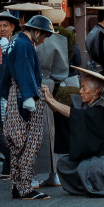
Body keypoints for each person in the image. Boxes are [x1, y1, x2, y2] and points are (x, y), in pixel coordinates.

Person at [0, 12, 49, 200]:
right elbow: (24, 70)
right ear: (36, 31)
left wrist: (6, 95)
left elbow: (7, 71)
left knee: (17, 144)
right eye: (44, 35)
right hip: (24, 96)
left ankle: (18, 186)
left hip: (14, 94)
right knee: (29, 143)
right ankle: (25, 188)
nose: (44, 40)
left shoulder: (15, 42)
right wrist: (29, 97)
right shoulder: (23, 44)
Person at [46, 67, 104, 197]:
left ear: (95, 91)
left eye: (84, 88)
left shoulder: (101, 108)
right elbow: (66, 114)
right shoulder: (84, 105)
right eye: (80, 87)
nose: (80, 91)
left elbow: (77, 115)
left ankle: (94, 186)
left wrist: (51, 100)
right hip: (90, 153)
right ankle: (87, 186)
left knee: (88, 167)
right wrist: (49, 100)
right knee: (63, 164)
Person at [25, 15, 71, 188]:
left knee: (32, 132)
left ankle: (33, 175)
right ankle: (54, 173)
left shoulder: (24, 42)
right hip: (49, 84)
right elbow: (61, 70)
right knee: (49, 130)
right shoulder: (57, 40)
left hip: (33, 85)